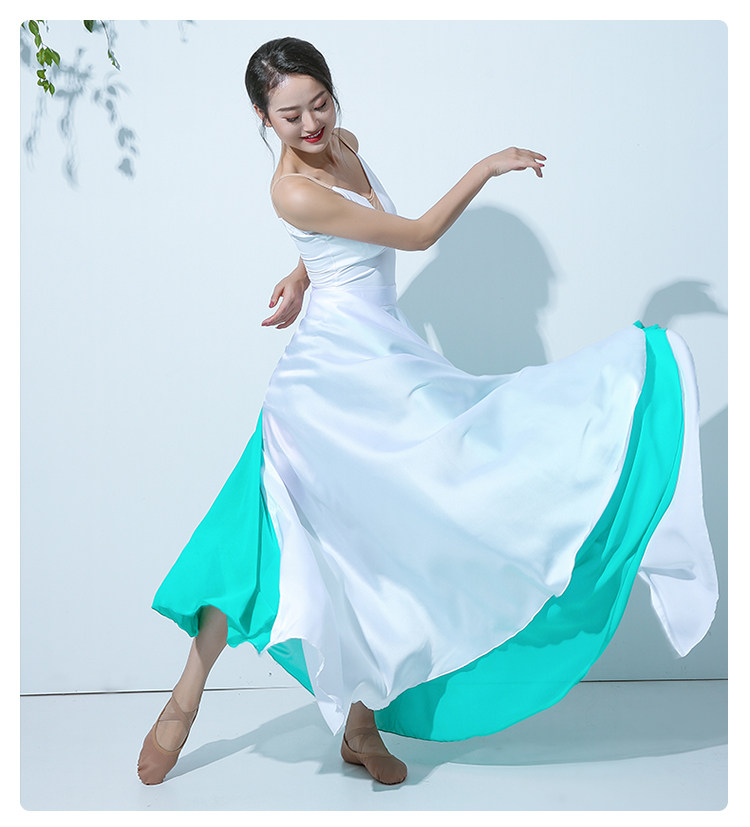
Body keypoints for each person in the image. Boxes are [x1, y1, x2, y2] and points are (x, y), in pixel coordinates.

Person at [137, 36, 718, 787]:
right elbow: (412, 236)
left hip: (383, 360)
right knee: (260, 540)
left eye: (320, 103)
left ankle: (360, 724)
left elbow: (343, 231)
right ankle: (184, 701)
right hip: (328, 383)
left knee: (376, 547)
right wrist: (486, 167)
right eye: (290, 116)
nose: (311, 124)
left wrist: (303, 273)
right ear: (262, 118)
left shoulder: (344, 143)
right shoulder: (289, 189)